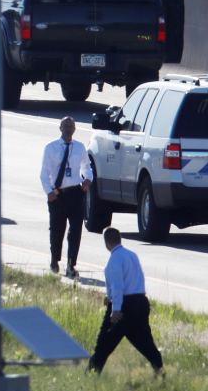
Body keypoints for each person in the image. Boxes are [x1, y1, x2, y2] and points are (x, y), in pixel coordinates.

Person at [88, 227, 163, 375]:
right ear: (119, 239)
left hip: (123, 306)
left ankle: (92, 372)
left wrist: (115, 309)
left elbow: (118, 286)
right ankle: (159, 368)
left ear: (106, 242)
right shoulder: (131, 255)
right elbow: (133, 279)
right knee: (144, 341)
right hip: (140, 302)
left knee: (103, 344)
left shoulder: (114, 260)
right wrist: (109, 296)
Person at [39, 116, 93, 279]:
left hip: (75, 193)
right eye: (65, 126)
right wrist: (49, 192)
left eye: (71, 126)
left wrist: (88, 180)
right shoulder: (51, 148)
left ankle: (71, 264)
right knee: (57, 230)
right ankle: (54, 260)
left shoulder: (79, 147)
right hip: (58, 194)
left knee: (75, 230)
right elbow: (44, 174)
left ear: (75, 129)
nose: (68, 129)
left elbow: (87, 167)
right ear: (60, 128)